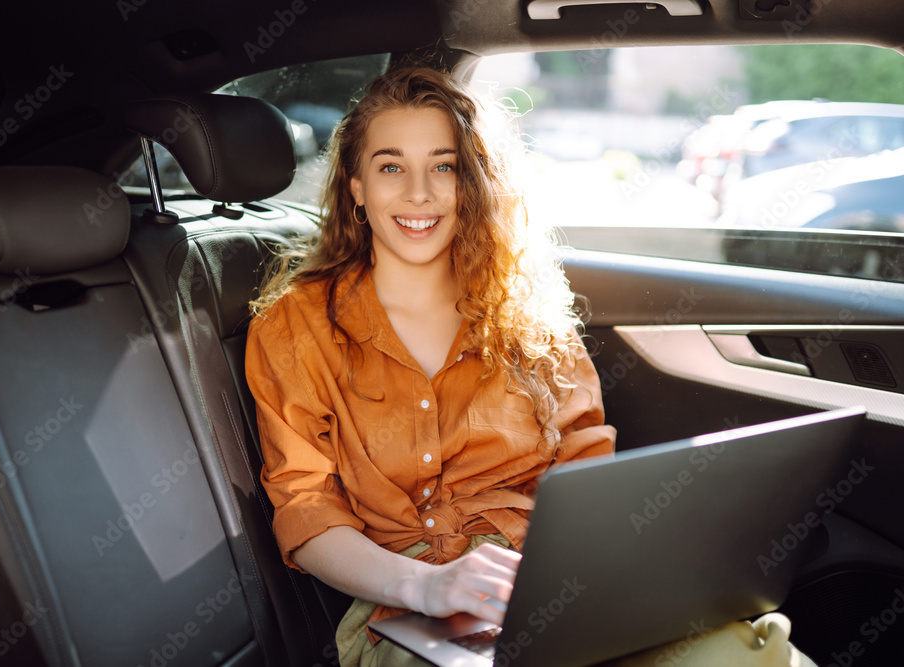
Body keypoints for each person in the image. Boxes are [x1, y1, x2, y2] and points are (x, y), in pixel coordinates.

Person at [245, 67, 816, 667]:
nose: (419, 193)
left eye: (445, 166)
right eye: (391, 167)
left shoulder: (529, 310)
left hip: (550, 577)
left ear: (474, 183)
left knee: (750, 650)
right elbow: (307, 510)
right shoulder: (294, 327)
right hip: (403, 603)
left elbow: (585, 473)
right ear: (356, 185)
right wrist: (423, 586)